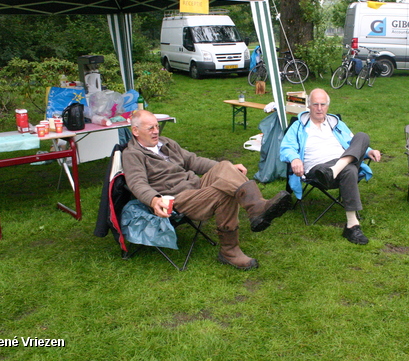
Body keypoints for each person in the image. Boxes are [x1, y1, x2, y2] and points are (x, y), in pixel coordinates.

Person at [122, 110, 292, 270]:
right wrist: (154, 199)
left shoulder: (166, 143)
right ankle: (230, 251)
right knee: (223, 192)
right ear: (135, 131)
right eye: (150, 128)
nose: (156, 131)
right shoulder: (132, 154)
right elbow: (137, 183)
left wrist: (229, 169)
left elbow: (193, 161)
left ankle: (257, 208)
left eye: (157, 126)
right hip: (178, 198)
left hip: (196, 185)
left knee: (224, 166)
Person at [280, 88, 381, 244]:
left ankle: (337, 170)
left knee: (362, 137)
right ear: (309, 105)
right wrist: (294, 159)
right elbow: (286, 147)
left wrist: (369, 151)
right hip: (318, 170)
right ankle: (352, 226)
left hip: (338, 162)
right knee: (350, 169)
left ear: (328, 106)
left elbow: (352, 141)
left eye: (323, 104)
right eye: (315, 104)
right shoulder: (299, 126)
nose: (319, 108)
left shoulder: (336, 123)